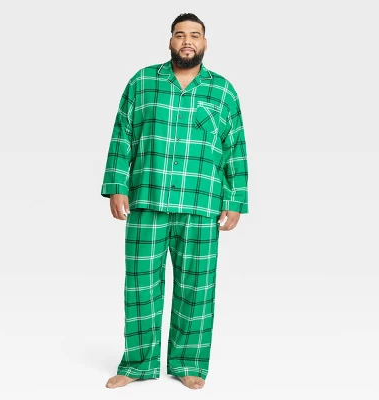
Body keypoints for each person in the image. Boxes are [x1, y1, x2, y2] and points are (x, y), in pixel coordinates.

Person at [101, 12, 249, 390]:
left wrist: (235, 199)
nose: (187, 41)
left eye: (194, 35)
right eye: (180, 34)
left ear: (204, 43)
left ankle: (188, 363)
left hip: (202, 203)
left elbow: (235, 149)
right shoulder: (142, 82)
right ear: (170, 41)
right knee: (140, 287)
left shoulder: (223, 91)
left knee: (197, 289)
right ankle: (138, 364)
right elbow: (122, 135)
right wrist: (117, 185)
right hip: (147, 199)